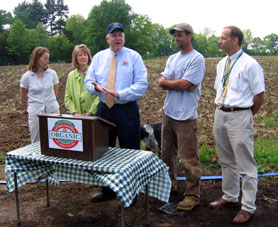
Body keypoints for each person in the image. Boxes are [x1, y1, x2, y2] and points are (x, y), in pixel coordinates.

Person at [85, 22, 148, 202]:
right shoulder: (98, 57)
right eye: (114, 35)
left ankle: (131, 191)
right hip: (105, 109)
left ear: (124, 38)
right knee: (105, 150)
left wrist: (120, 94)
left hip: (127, 110)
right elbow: (89, 81)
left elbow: (142, 85)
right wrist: (95, 87)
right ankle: (107, 190)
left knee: (130, 151)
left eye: (120, 35)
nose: (117, 38)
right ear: (107, 39)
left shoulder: (134, 57)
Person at [208, 26, 265, 224]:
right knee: (226, 160)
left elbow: (259, 96)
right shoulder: (222, 63)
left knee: (246, 164)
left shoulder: (250, 64)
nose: (220, 41)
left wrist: (246, 116)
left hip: (240, 115)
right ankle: (230, 195)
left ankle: (247, 207)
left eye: (223, 38)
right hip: (220, 113)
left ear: (235, 40)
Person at [158, 23, 206, 211]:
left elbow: (186, 84)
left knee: (189, 158)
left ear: (190, 36)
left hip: (186, 116)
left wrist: (169, 83)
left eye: (180, 35)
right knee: (167, 154)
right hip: (168, 113)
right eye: (175, 36)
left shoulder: (197, 59)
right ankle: (170, 187)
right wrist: (172, 83)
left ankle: (193, 195)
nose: (177, 39)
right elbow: (163, 80)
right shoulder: (173, 58)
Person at [20, 47, 59, 143]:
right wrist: (36, 103)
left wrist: (49, 102)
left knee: (55, 138)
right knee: (36, 140)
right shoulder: (27, 76)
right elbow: (24, 94)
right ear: (37, 59)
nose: (47, 61)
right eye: (45, 59)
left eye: (48, 58)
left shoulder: (52, 74)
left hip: (52, 110)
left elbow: (55, 91)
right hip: (35, 112)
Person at [65, 44, 99, 116]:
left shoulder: (96, 73)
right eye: (80, 55)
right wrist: (75, 112)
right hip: (77, 117)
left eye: (85, 55)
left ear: (88, 57)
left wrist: (91, 112)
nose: (83, 57)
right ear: (76, 58)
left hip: (94, 116)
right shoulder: (71, 76)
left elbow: (100, 96)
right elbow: (67, 98)